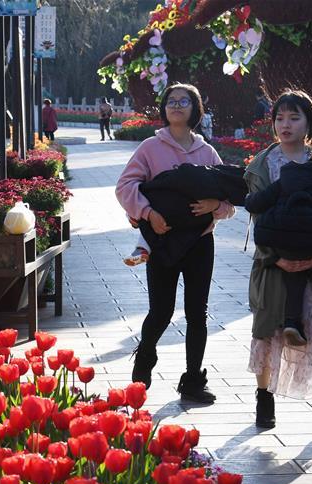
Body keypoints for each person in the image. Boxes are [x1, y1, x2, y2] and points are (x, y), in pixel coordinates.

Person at [243, 89, 312, 444]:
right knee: (270, 334)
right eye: (280, 118)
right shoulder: (262, 165)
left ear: (309, 122)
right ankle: (264, 400)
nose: (285, 125)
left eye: (294, 117)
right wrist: (279, 258)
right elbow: (258, 216)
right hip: (275, 265)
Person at [116, 82, 236, 403]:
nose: (177, 105)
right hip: (163, 242)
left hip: (199, 243)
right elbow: (126, 186)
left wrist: (215, 208)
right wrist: (147, 213)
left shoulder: (206, 151)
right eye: (171, 100)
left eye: (184, 101)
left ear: (195, 109)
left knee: (197, 313)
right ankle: (145, 356)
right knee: (161, 311)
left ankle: (193, 381)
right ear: (164, 108)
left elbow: (230, 198)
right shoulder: (149, 148)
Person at [245, 150, 312, 346]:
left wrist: (248, 199)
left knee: (293, 278)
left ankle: (291, 324)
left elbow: (259, 201)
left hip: (281, 239)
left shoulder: (287, 176)